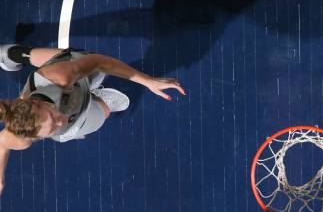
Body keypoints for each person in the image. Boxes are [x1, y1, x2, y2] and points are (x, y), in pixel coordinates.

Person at [0, 44, 186, 196]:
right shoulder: (20, 137)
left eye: (53, 117)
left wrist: (148, 81)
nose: (61, 121)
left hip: (72, 76)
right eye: (51, 130)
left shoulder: (59, 78)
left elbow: (100, 62)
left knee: (76, 60)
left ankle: (14, 53)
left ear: (36, 102)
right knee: (101, 113)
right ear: (34, 136)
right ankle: (99, 99)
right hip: (76, 107)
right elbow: (1, 145)